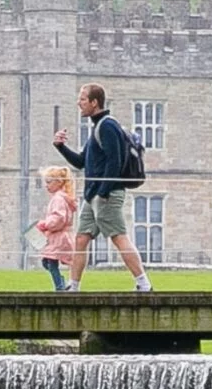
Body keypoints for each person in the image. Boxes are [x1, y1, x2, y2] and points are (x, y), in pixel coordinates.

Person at [52, 82, 154, 293]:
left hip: (105, 195)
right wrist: (61, 147)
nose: (78, 103)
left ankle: (144, 284)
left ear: (94, 102)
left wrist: (103, 191)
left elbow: (114, 163)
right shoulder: (98, 128)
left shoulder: (107, 126)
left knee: (118, 237)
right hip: (93, 196)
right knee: (81, 238)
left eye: (82, 99)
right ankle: (74, 287)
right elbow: (81, 162)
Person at [35, 163, 78, 292]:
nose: (46, 185)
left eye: (49, 182)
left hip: (58, 236)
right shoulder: (58, 198)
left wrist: (45, 224)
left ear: (59, 183)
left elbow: (59, 218)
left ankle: (59, 287)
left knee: (51, 262)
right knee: (46, 262)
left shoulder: (58, 199)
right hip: (55, 236)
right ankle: (61, 281)